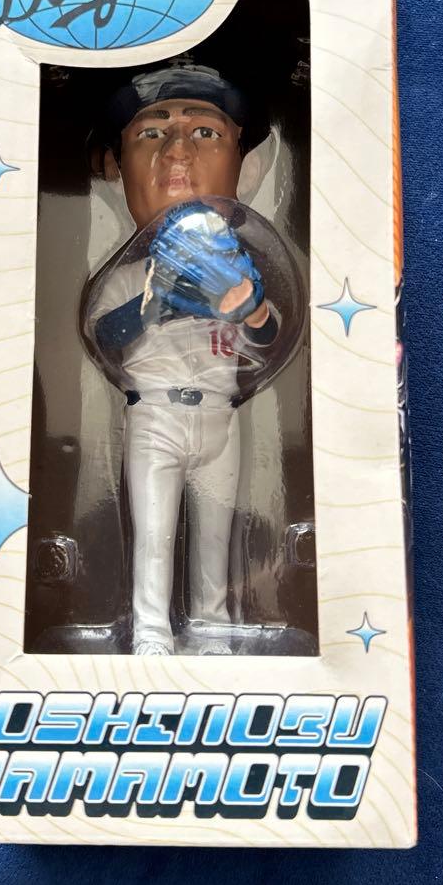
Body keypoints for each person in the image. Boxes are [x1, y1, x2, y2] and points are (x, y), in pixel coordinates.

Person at [87, 63, 280, 656]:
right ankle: (150, 633)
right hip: (157, 416)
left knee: (216, 538)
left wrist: (248, 307)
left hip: (221, 415)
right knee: (154, 533)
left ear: (247, 168)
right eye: (152, 132)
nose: (177, 152)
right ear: (113, 167)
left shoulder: (235, 270)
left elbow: (271, 337)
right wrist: (158, 298)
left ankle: (213, 629)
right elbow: (105, 335)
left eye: (205, 133)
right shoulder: (129, 276)